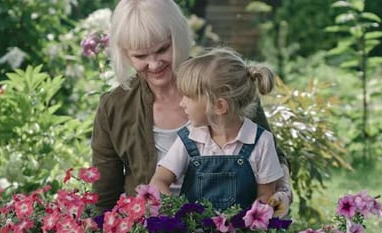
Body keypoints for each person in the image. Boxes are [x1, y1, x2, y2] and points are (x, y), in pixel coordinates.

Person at [91, 0, 292, 216]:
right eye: (140, 56)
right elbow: (105, 198)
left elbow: (271, 158)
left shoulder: (222, 83)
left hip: (235, 232)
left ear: (177, 37)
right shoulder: (114, 107)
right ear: (125, 53)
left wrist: (280, 196)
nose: (155, 64)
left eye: (162, 49)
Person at [150, 48, 283, 210]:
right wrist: (175, 210)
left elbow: (266, 194)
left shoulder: (261, 141)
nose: (182, 103)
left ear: (219, 106)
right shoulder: (190, 138)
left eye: (189, 97)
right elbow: (159, 180)